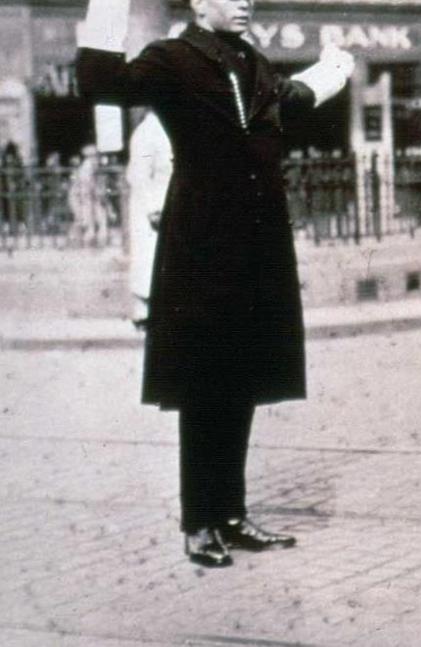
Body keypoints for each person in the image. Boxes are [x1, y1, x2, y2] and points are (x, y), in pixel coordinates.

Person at [76, 0, 354, 568]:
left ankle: (231, 512)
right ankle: (198, 521)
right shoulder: (172, 58)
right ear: (200, 3)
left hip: (257, 242)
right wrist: (106, 6)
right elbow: (100, 82)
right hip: (202, 242)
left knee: (244, 378)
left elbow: (281, 108)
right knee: (205, 385)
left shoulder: (253, 60)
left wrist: (328, 76)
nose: (245, 2)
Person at [125, 111, 173, 327]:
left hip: (170, 201)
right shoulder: (147, 132)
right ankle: (143, 309)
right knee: (148, 258)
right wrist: (152, 208)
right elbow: (139, 175)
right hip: (153, 204)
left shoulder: (169, 127)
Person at [67, 143, 113, 247]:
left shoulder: (92, 167)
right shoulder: (86, 168)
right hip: (81, 198)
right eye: (94, 156)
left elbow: (96, 186)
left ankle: (97, 237)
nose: (96, 159)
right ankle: (83, 239)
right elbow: (85, 187)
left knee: (99, 215)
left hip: (90, 198)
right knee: (86, 218)